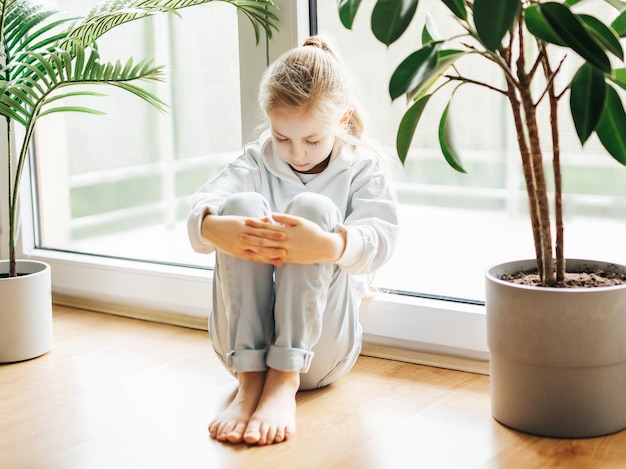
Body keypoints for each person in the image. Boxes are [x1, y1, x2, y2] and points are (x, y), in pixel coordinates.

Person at [187, 36, 399, 446]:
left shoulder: (361, 168)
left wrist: (327, 245)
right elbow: (201, 207)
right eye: (282, 138)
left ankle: (283, 381)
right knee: (238, 203)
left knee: (314, 210)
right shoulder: (256, 159)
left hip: (318, 356)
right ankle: (250, 384)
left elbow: (382, 238)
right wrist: (218, 227)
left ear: (342, 119)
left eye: (312, 140)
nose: (297, 154)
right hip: (239, 351)